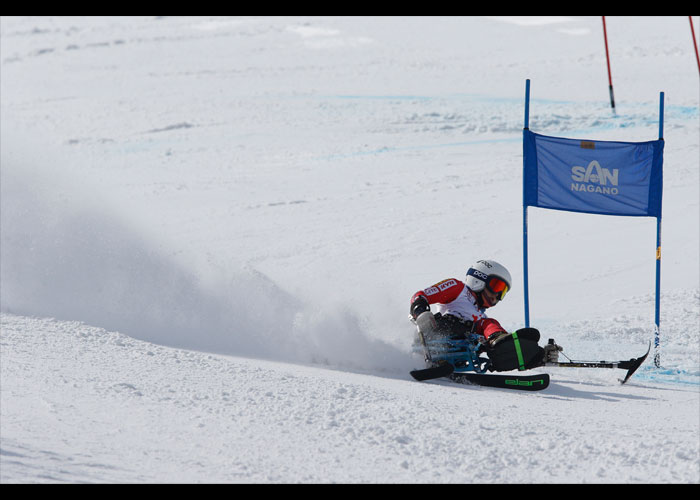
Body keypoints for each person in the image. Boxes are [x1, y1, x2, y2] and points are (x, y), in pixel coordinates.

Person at [409, 259, 560, 372]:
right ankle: (438, 356)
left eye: (503, 292)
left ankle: (510, 347)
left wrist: (539, 356)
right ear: (478, 279)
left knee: (488, 324)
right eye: (497, 287)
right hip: (437, 333)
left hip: (463, 343)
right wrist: (421, 313)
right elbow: (420, 295)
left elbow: (484, 326)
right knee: (483, 323)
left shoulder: (480, 316)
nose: (497, 296)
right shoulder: (458, 288)